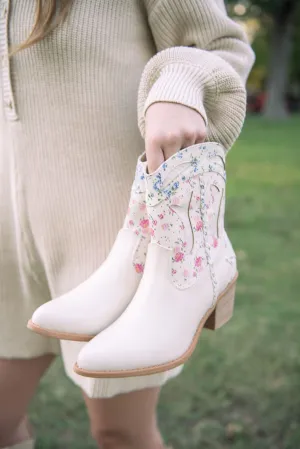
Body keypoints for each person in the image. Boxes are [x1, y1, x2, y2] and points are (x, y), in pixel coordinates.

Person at [0, 1, 254, 448]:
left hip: (106, 229)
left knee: (121, 434)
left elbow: (224, 46)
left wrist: (180, 84)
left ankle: (199, 266)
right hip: (8, 234)